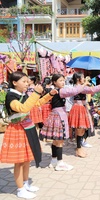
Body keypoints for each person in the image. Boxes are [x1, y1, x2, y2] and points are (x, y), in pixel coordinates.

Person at [0, 71, 57, 199]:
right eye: (24, 81)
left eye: (27, 81)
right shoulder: (10, 96)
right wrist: (36, 93)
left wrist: (49, 95)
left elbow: (36, 104)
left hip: (28, 128)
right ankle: (20, 190)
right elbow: (23, 108)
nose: (27, 84)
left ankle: (25, 184)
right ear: (14, 83)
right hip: (17, 130)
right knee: (19, 162)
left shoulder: (23, 94)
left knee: (26, 159)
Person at [68, 72, 100, 157]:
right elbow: (92, 90)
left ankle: (79, 147)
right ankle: (78, 148)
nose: (84, 79)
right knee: (80, 128)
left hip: (81, 107)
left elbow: (91, 90)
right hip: (79, 108)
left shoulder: (80, 87)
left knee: (81, 129)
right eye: (83, 77)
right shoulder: (80, 87)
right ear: (78, 79)